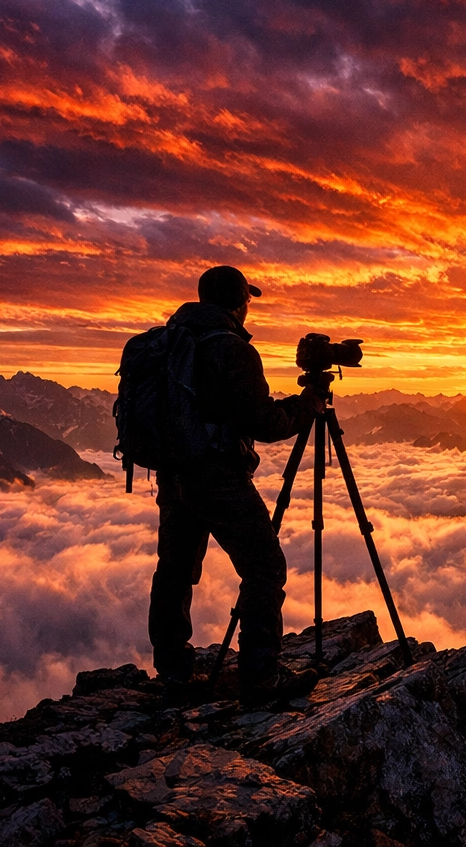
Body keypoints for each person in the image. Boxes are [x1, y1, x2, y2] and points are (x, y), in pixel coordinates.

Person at [148, 265, 322, 706]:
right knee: (264, 567)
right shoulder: (232, 348)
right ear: (238, 302)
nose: (249, 309)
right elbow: (261, 421)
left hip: (173, 473)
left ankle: (173, 672)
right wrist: (305, 408)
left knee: (175, 568)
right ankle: (260, 677)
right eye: (248, 301)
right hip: (217, 474)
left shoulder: (172, 340)